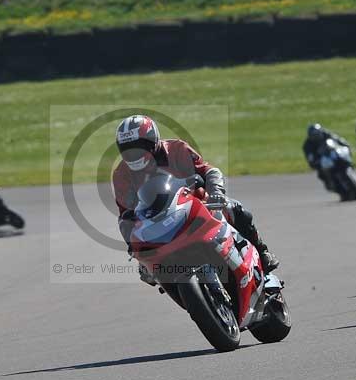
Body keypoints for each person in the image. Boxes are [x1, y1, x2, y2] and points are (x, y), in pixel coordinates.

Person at [112, 114, 280, 283]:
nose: (134, 153)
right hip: (157, 227)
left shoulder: (176, 149)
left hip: (198, 208)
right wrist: (134, 247)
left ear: (153, 140)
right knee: (149, 271)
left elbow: (209, 171)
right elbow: (126, 215)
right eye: (127, 149)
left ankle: (262, 251)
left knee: (234, 208)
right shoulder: (121, 174)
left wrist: (216, 192)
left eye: (140, 146)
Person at [303, 123, 351, 189]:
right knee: (322, 174)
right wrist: (314, 162)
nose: (317, 136)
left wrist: (345, 145)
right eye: (314, 135)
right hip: (322, 160)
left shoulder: (326, 134)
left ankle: (349, 168)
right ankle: (331, 184)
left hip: (333, 155)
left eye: (318, 133)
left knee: (344, 159)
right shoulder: (307, 145)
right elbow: (310, 158)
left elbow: (338, 140)